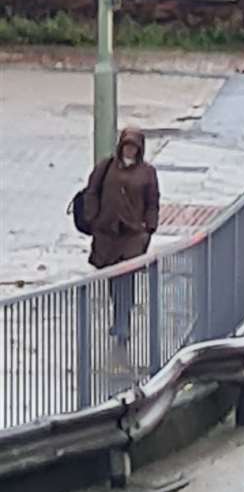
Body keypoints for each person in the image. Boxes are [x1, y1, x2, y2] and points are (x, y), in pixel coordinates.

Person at [82, 127, 160, 345]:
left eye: (134, 147)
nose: (130, 151)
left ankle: (122, 321)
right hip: (108, 235)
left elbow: (152, 202)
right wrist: (93, 218)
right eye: (127, 146)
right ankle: (119, 317)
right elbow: (92, 192)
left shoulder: (147, 173)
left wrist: (148, 229)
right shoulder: (106, 167)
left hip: (132, 236)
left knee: (126, 277)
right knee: (113, 278)